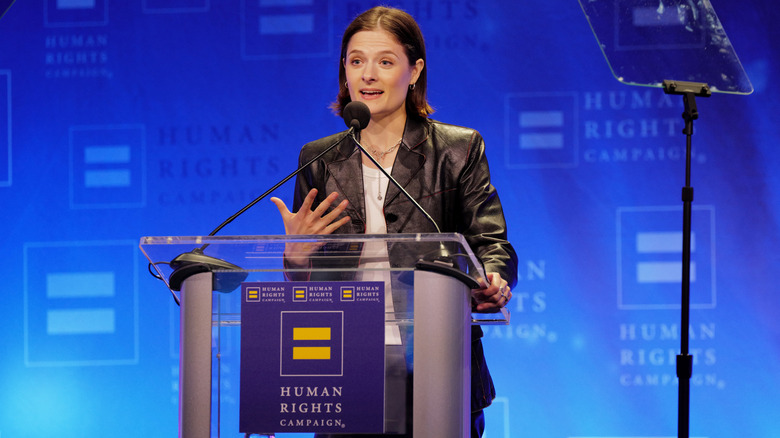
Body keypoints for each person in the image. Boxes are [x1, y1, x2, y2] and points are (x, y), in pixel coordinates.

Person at [270, 6, 517, 438]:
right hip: (344, 365)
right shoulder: (319, 158)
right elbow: (307, 283)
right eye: (356, 61)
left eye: (385, 62)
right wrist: (295, 258)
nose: (368, 75)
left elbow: (491, 242)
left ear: (414, 71)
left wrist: (492, 277)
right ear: (344, 70)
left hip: (436, 361)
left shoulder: (457, 149)